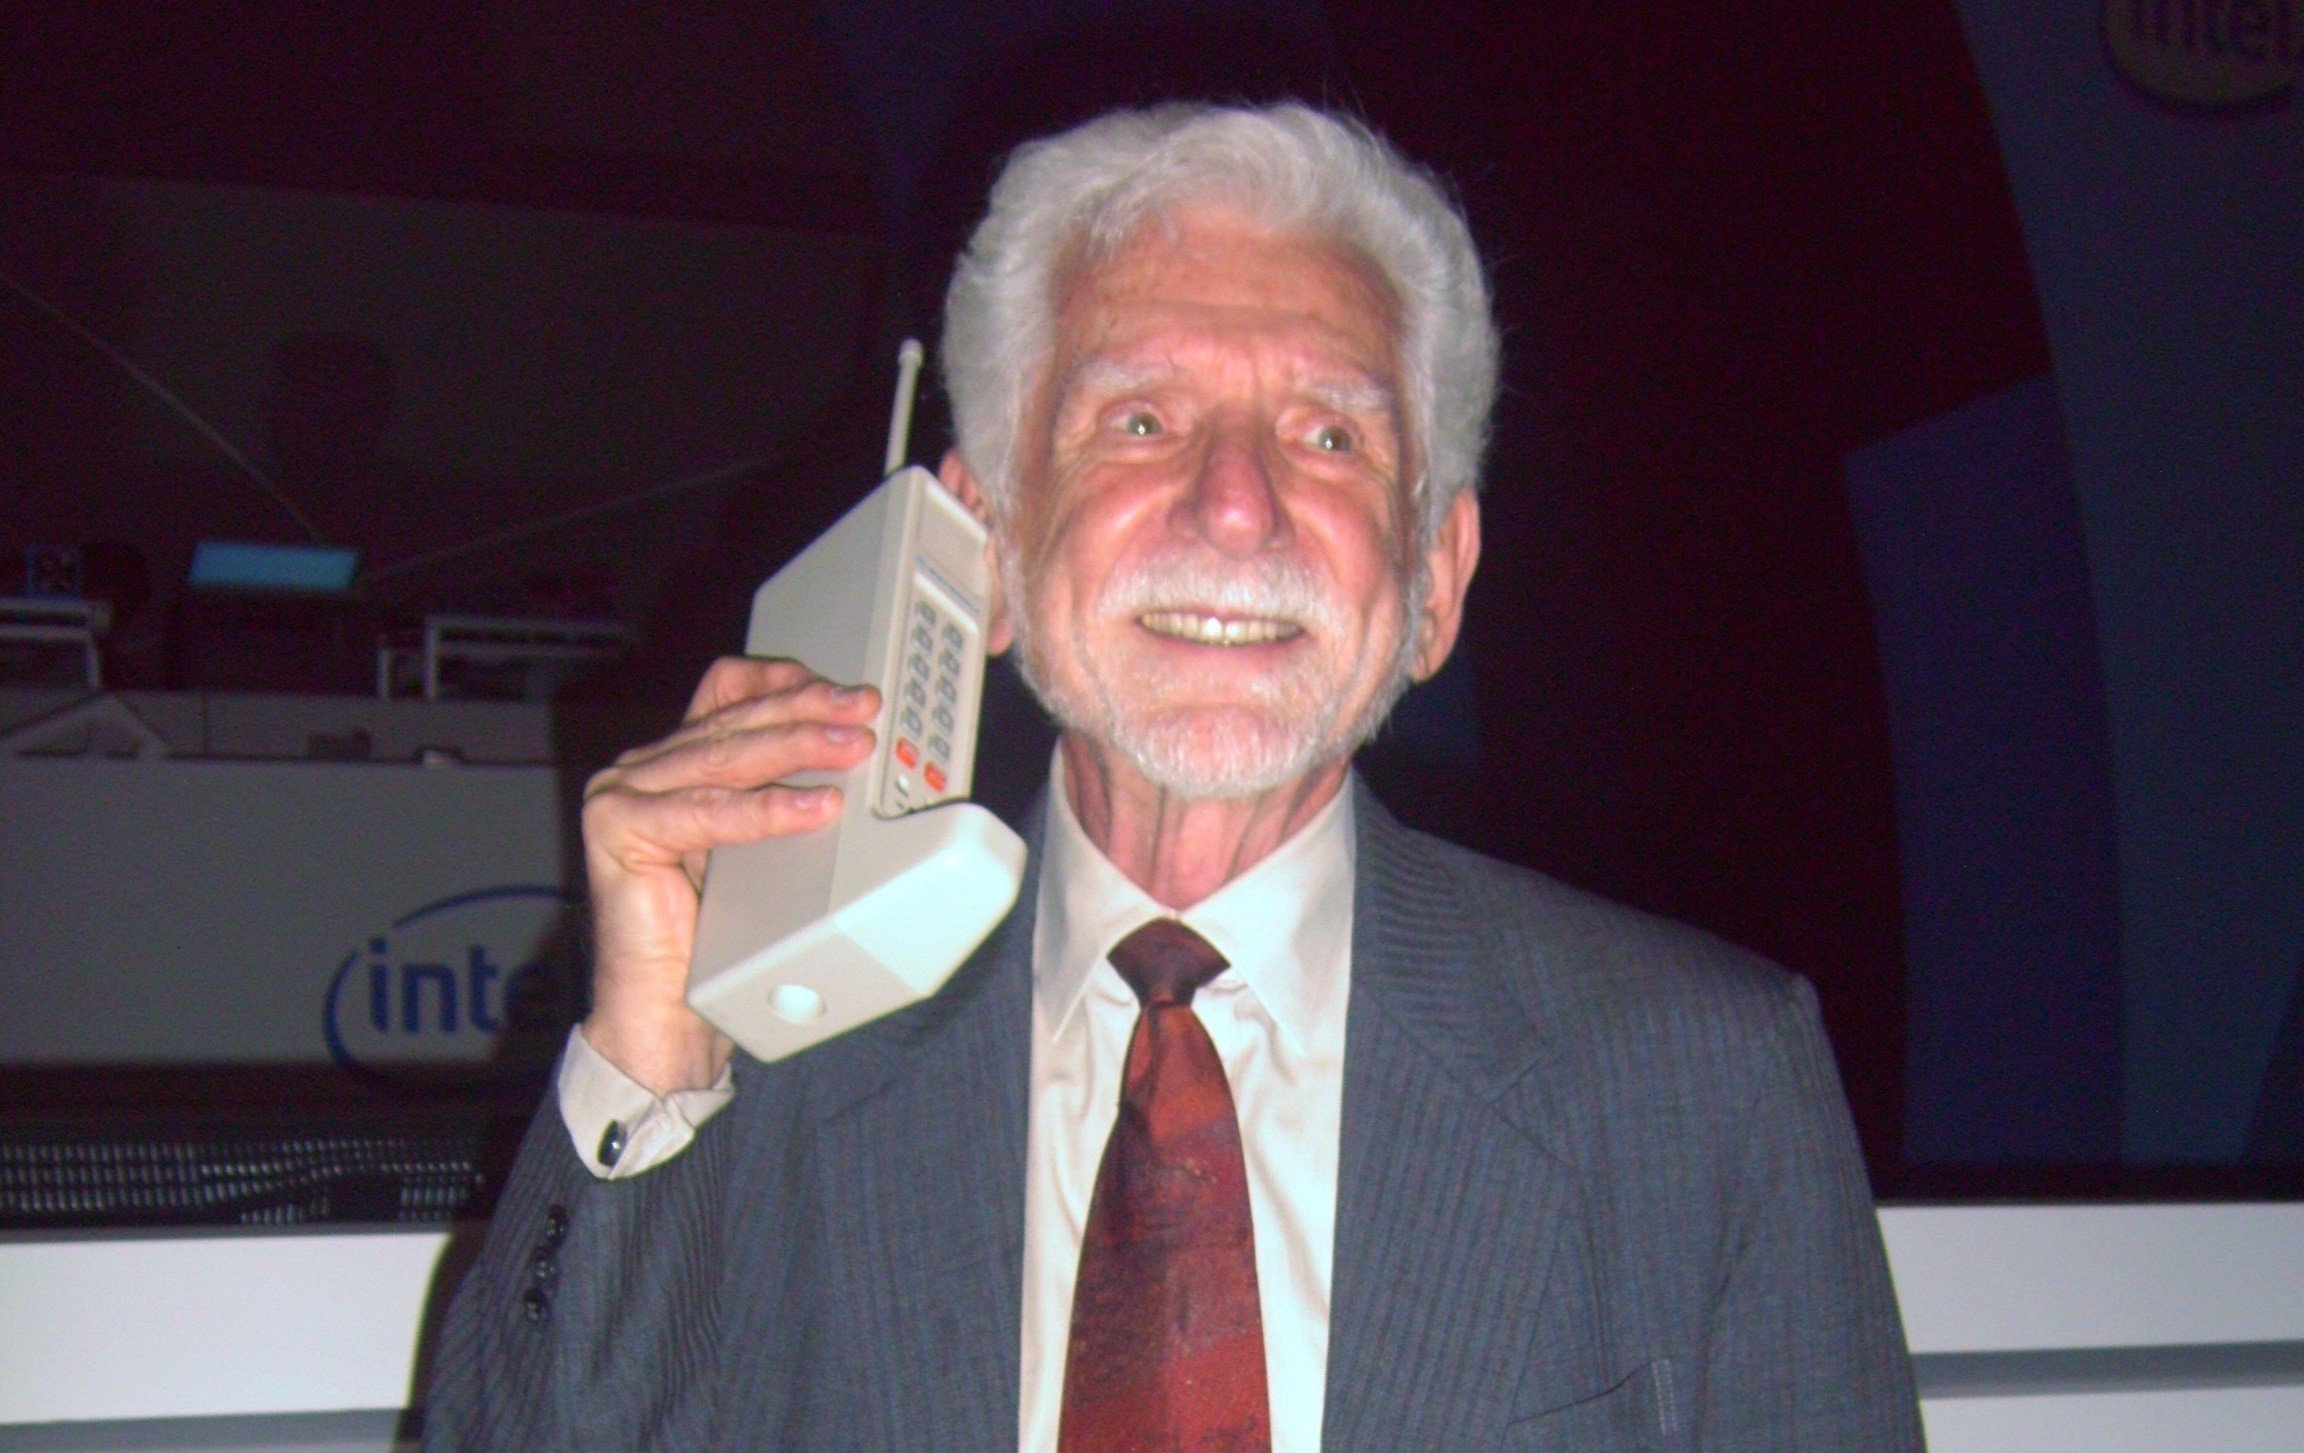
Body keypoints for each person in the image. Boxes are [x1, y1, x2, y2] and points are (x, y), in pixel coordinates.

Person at [426, 102, 1922, 1452]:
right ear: (988, 547)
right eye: (1140, 419)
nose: (1235, 501)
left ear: (1437, 580)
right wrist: (654, 1051)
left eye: (1329, 434)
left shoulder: (1706, 1075)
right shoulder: (768, 1061)